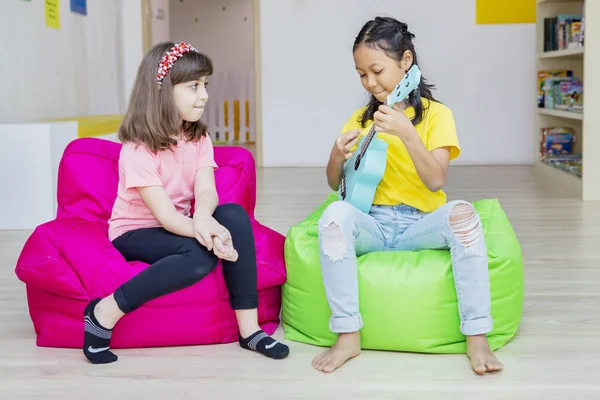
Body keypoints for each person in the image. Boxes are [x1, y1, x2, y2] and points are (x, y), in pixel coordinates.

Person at [311, 17, 504, 375]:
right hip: (374, 224)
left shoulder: (437, 116)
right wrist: (335, 156)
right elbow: (334, 183)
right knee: (333, 216)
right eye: (361, 74)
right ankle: (347, 333)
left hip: (420, 224)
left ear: (406, 61)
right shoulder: (360, 118)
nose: (370, 82)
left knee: (463, 213)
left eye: (377, 70)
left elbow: (436, 180)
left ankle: (477, 336)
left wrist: (406, 132)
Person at [82, 41, 289, 364]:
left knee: (232, 215)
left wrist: (206, 220)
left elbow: (206, 190)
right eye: (194, 86)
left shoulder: (198, 138)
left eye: (205, 85)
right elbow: (164, 216)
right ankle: (103, 312)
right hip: (135, 231)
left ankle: (249, 331)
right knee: (198, 256)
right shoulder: (138, 148)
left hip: (178, 221)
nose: (204, 95)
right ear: (162, 91)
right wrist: (208, 234)